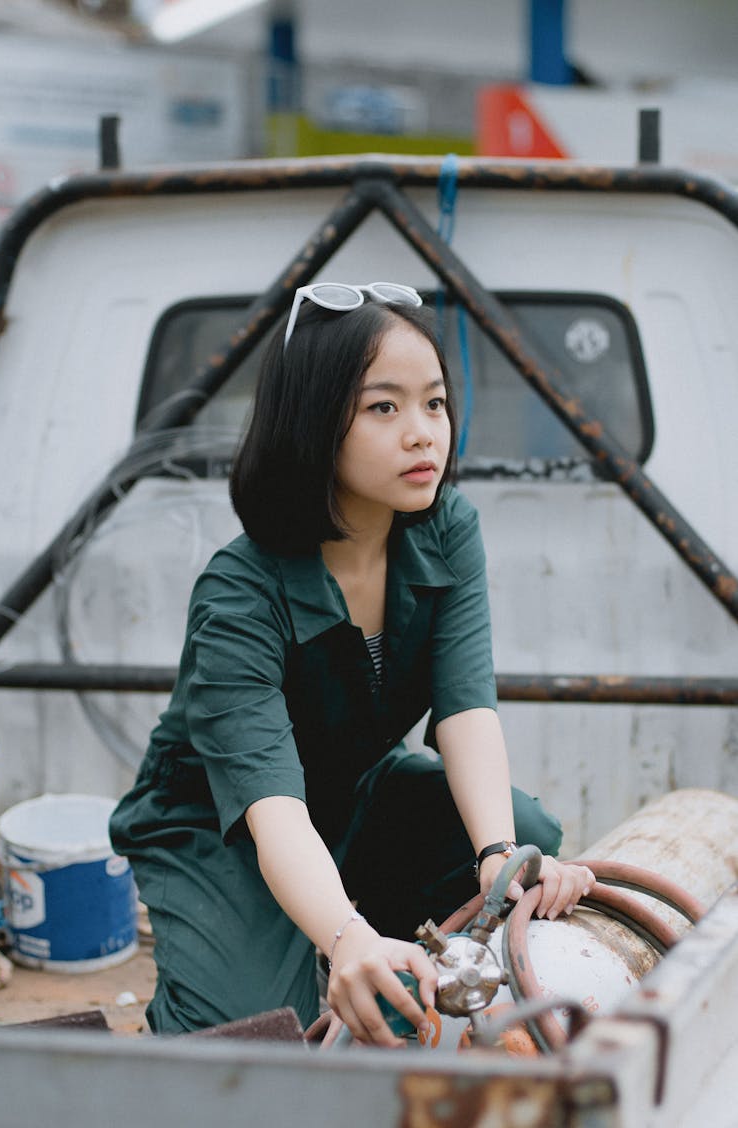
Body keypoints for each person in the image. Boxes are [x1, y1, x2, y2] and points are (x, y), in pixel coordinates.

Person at [110, 282, 593, 1046]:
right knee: (259, 1031)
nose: (422, 434)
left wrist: (502, 858)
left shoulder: (446, 531)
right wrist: (344, 936)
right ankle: (290, 957)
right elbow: (272, 811)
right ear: (313, 424)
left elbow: (466, 710)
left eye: (434, 403)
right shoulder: (240, 590)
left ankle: (360, 943)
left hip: (353, 797)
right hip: (221, 826)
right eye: (383, 408)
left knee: (525, 829)